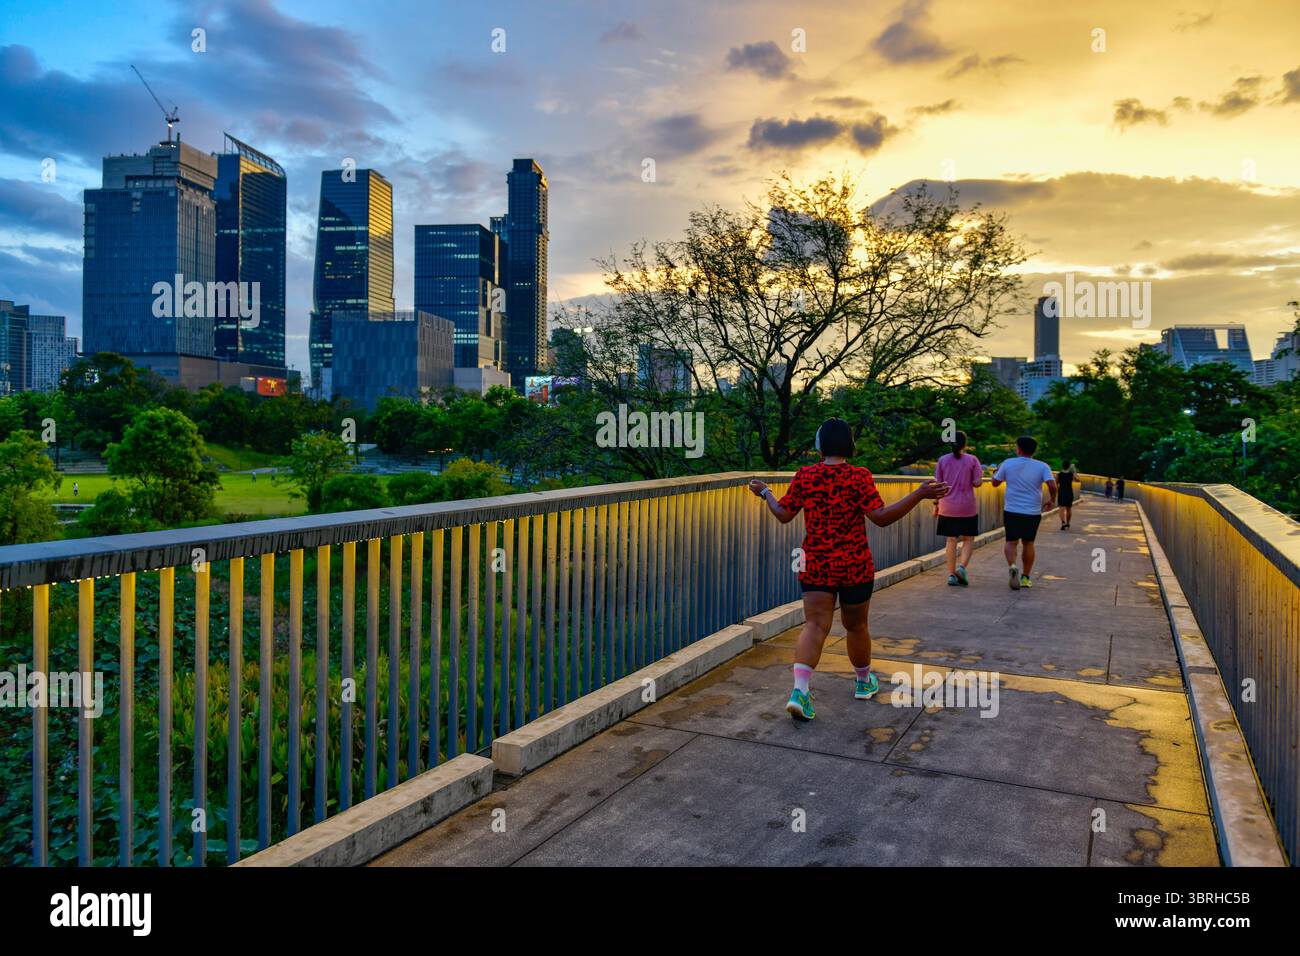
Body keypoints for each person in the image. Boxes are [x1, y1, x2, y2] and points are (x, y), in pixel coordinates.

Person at [749, 418, 948, 721]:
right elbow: (880, 517)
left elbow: (783, 514)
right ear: (849, 445)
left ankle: (800, 691)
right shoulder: (859, 476)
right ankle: (863, 681)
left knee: (815, 626)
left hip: (815, 563)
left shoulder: (806, 475)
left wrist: (766, 493)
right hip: (854, 564)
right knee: (856, 626)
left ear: (819, 445)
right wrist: (918, 494)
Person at [990, 435, 1057, 591]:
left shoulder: (1008, 463)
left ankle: (1012, 566)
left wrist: (997, 471)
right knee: (1028, 543)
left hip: (1012, 510)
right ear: (1034, 450)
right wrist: (1052, 499)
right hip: (1032, 511)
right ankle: (1026, 577)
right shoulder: (1043, 466)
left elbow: (994, 483)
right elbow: (1052, 485)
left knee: (1011, 541)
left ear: (1018, 449)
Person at [934, 430, 982, 586]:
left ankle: (951, 575)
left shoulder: (942, 460)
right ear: (965, 444)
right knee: (968, 538)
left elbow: (938, 486)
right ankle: (961, 568)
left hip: (947, 506)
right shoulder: (972, 460)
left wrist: (936, 505)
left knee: (951, 540)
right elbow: (977, 483)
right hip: (967, 506)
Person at [1056, 460, 1077, 530]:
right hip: (1069, 492)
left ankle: (1063, 522)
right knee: (1069, 508)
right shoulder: (1071, 474)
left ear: (1062, 466)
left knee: (1061, 508)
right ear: (1068, 466)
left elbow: (1056, 484)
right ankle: (1068, 523)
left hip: (1061, 492)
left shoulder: (1059, 474)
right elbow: (1077, 479)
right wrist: (1074, 470)